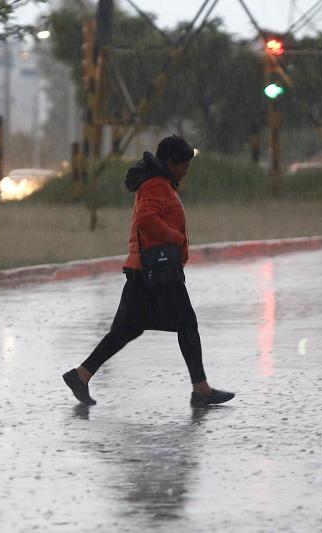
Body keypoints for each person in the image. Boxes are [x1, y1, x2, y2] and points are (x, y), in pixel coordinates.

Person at [62, 135, 235, 408]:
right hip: (157, 273)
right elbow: (146, 219)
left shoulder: (162, 183)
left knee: (125, 330)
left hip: (144, 272)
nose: (187, 169)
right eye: (184, 164)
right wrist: (175, 238)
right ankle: (201, 390)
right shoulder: (156, 185)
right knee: (186, 323)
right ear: (170, 163)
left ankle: (81, 376)